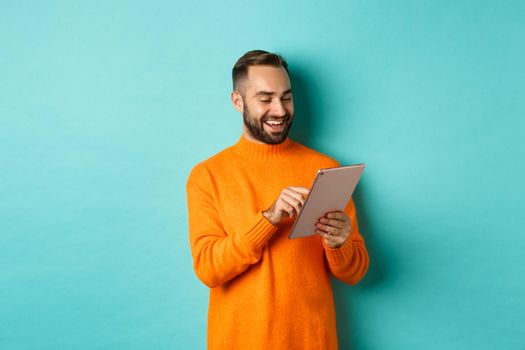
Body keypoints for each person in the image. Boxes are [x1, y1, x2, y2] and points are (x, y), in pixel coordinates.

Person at [186, 50, 369, 350]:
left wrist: (339, 243)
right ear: (237, 101)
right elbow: (208, 269)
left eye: (286, 97)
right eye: (265, 98)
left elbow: (356, 271)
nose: (280, 110)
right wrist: (268, 219)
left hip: (313, 342)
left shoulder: (325, 170)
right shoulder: (207, 175)